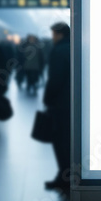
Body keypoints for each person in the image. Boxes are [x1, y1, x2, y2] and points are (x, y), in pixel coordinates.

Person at [43, 22, 71, 189]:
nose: (52, 38)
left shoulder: (58, 51)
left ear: (59, 34)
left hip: (60, 105)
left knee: (60, 142)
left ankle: (63, 178)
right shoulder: (73, 47)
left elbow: (55, 80)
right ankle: (65, 176)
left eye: (53, 34)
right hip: (72, 103)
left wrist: (48, 99)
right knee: (67, 142)